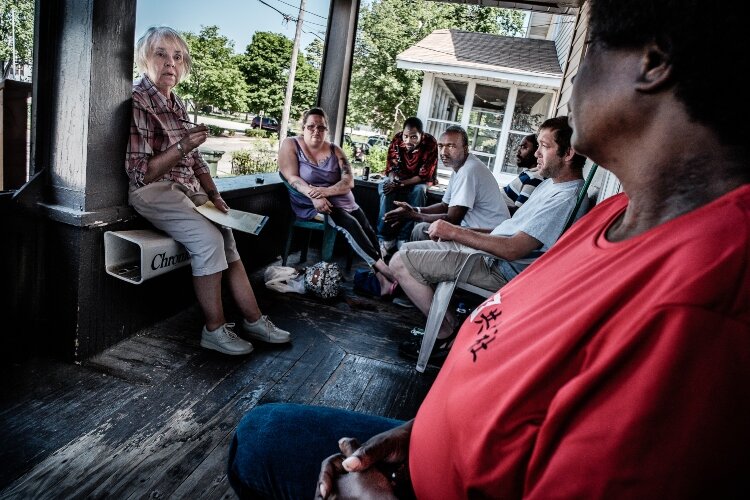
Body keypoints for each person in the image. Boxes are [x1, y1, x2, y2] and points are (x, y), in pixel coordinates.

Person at [228, 0, 750, 497]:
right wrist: (416, 430)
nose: (573, 81)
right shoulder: (617, 216)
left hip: (448, 480)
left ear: (652, 63)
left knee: (255, 441)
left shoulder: (703, 299)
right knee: (264, 427)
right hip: (434, 439)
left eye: (589, 52)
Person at [126, 27, 291, 356]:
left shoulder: (177, 104)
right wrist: (184, 144)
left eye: (177, 57)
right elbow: (140, 173)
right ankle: (214, 330)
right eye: (161, 54)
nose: (170, 63)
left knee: (228, 240)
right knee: (209, 241)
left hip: (187, 191)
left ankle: (254, 319)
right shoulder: (139, 100)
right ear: (144, 58)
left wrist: (215, 194)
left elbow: (197, 160)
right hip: (155, 190)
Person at [392, 116, 586, 362]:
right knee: (407, 250)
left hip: (500, 269)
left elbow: (514, 249)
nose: (536, 153)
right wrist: (462, 235)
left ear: (568, 153)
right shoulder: (551, 185)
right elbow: (505, 232)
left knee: (400, 262)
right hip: (488, 256)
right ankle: (452, 328)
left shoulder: (564, 198)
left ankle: (444, 335)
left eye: (544, 146)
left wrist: (455, 232)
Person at [278, 107, 399, 296]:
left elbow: (348, 182)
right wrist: (314, 196)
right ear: (303, 127)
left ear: (327, 130)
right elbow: (292, 178)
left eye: (321, 127)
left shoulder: (335, 150)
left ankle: (381, 279)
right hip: (310, 202)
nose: (316, 131)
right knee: (349, 223)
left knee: (368, 229)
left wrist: (325, 191)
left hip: (342, 199)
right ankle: (385, 271)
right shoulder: (291, 144)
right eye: (311, 126)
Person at [383, 125, 510, 244]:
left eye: (451, 146)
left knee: (421, 229)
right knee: (423, 228)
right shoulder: (460, 168)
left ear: (465, 148)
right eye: (441, 146)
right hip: (476, 231)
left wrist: (413, 216)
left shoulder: (469, 171)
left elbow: (452, 219)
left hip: (489, 237)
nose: (444, 152)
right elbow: (445, 205)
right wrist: (415, 210)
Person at [377, 117, 438, 255]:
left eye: (413, 137)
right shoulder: (397, 139)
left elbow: (424, 175)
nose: (408, 141)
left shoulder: (430, 143)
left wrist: (401, 184)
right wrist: (393, 181)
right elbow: (391, 166)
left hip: (420, 180)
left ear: (421, 135)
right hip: (399, 179)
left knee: (419, 191)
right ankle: (385, 239)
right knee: (386, 188)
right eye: (406, 136)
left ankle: (404, 238)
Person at [501, 133, 544, 211]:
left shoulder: (534, 179)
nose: (518, 152)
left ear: (536, 151)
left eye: (524, 147)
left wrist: (489, 207)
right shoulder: (530, 174)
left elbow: (517, 213)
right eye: (520, 147)